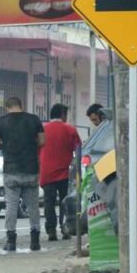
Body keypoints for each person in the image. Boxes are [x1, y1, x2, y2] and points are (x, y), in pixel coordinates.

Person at [0, 97, 45, 252]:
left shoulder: (2, 121)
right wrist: (29, 144)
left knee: (11, 206)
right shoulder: (34, 119)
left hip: (11, 169)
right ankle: (35, 241)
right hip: (30, 168)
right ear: (21, 105)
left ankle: (11, 240)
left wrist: (6, 145)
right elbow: (42, 141)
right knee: (33, 205)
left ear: (7, 107)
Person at [40, 103, 81, 241]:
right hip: (65, 172)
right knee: (66, 202)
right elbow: (79, 150)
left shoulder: (42, 129)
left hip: (46, 172)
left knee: (49, 203)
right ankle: (65, 229)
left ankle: (51, 230)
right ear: (63, 115)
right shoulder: (70, 129)